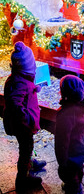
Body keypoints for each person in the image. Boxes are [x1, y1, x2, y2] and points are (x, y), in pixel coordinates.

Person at [3, 41, 47, 191]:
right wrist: (26, 119)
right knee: (26, 147)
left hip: (20, 124)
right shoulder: (20, 82)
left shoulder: (18, 78)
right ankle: (22, 179)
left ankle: (30, 163)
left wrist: (34, 88)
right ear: (28, 65)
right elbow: (15, 103)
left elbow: (22, 91)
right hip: (22, 125)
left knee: (27, 146)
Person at [55, 75, 84, 194]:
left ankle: (75, 189)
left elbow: (62, 141)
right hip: (80, 145)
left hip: (70, 150)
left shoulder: (66, 114)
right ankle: (76, 185)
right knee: (78, 167)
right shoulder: (83, 108)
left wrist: (62, 161)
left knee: (70, 172)